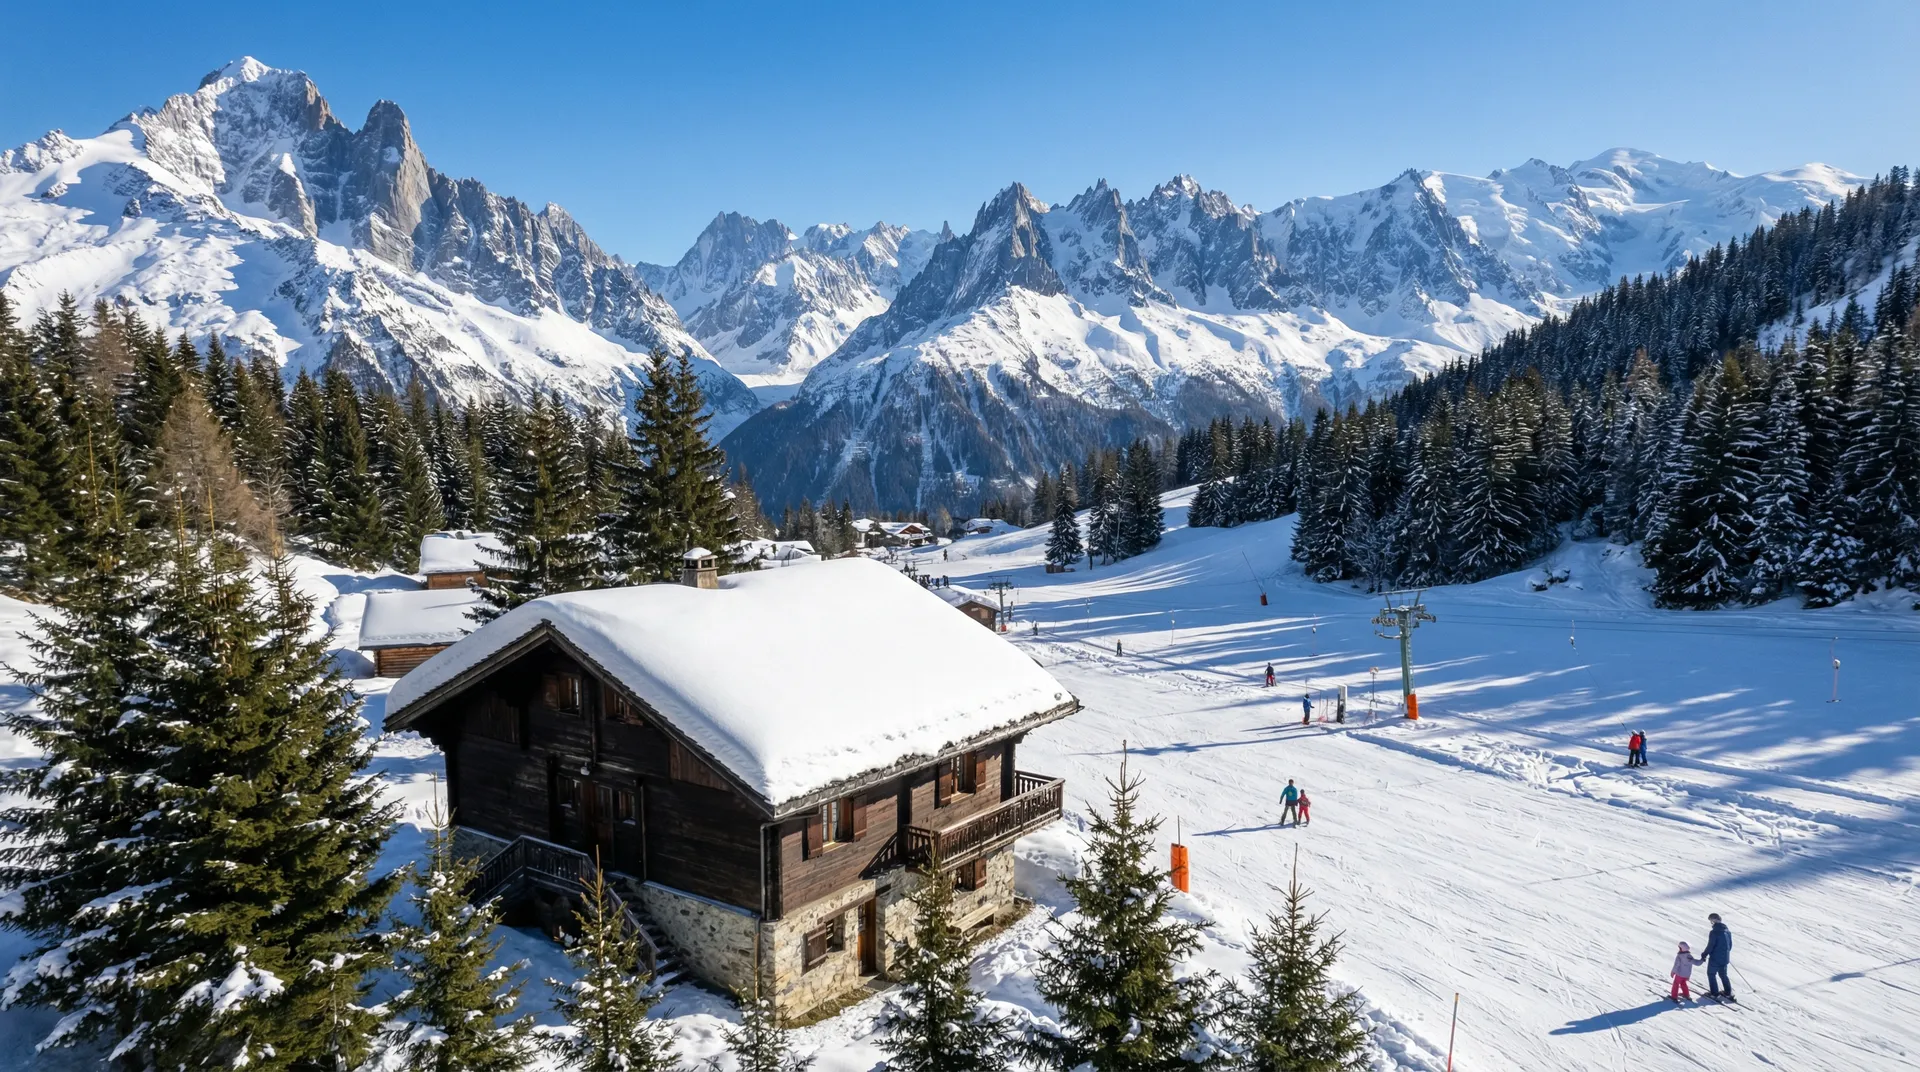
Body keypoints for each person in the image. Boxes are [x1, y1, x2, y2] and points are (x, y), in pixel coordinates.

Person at [1701, 913, 1734, 1000]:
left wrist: (1704, 954)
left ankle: (1714, 993)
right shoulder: (1727, 931)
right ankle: (1728, 992)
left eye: (1711, 921)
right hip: (1725, 958)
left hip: (1715, 958)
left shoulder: (1714, 932)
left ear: (1713, 921)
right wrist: (1725, 953)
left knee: (1711, 974)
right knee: (1723, 974)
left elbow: (1711, 945)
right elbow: (1730, 945)